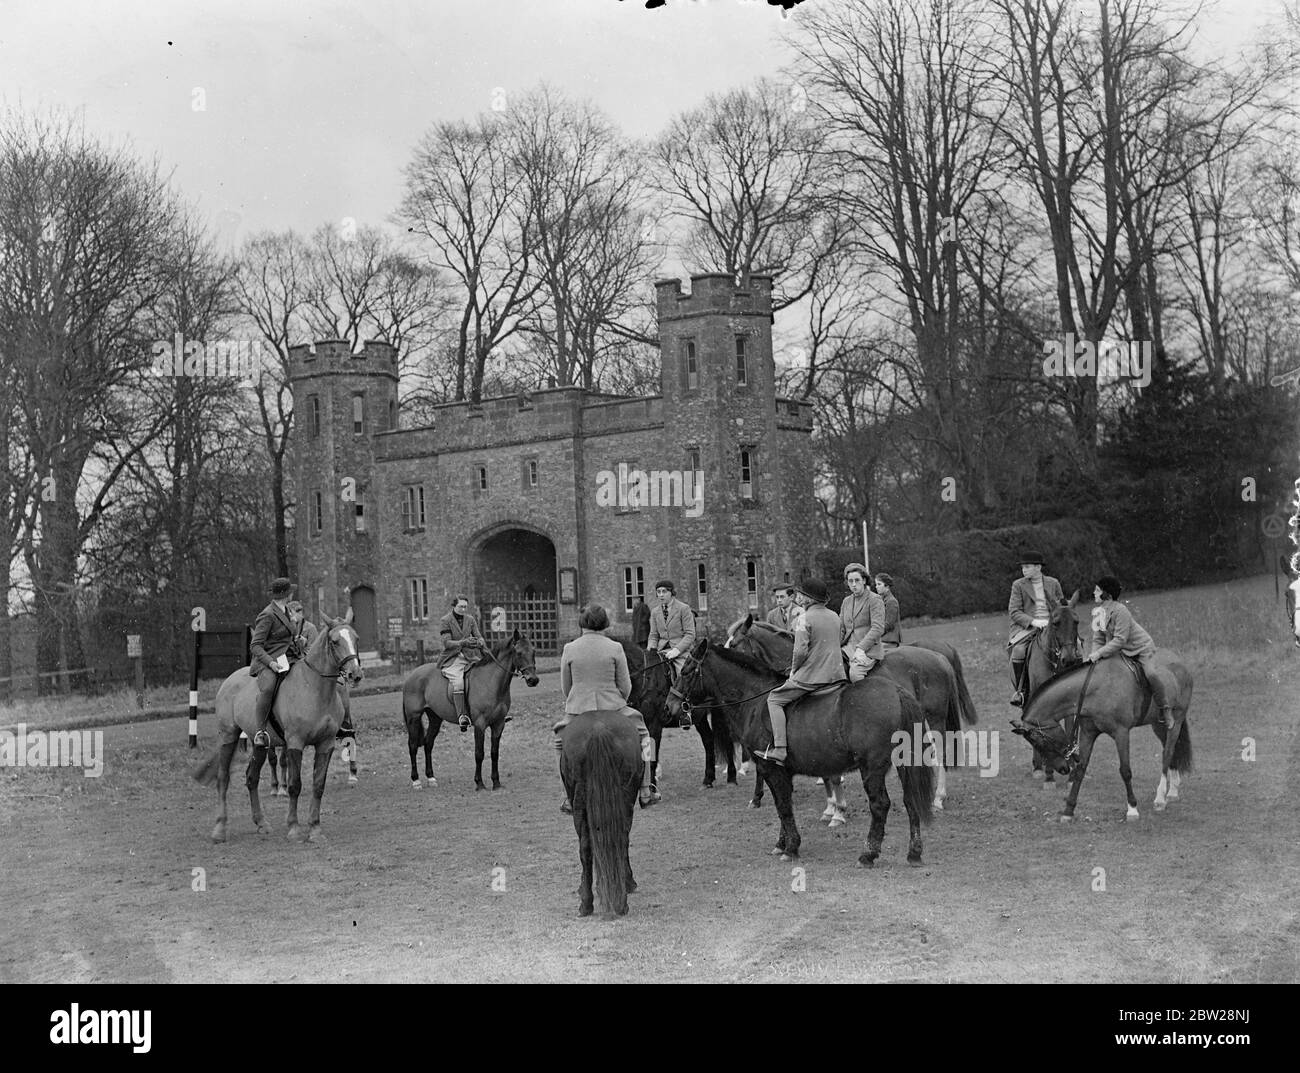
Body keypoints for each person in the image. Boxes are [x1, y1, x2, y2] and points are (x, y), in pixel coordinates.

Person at [554, 603, 660, 812]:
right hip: (613, 707)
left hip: (578, 709)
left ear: (581, 623)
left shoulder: (569, 648)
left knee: (559, 741)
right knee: (646, 737)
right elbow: (625, 686)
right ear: (605, 623)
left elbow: (566, 688)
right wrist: (618, 699)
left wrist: (577, 701)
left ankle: (567, 796)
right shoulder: (615, 647)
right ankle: (646, 790)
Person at [757, 578, 846, 766]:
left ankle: (780, 749)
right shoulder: (835, 615)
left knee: (774, 699)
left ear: (808, 598)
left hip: (813, 676)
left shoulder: (804, 618)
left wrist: (794, 671)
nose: (798, 597)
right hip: (837, 673)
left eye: (801, 594)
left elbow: (799, 651)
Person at [1087, 576, 1176, 730]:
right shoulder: (1098, 612)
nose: (1094, 593)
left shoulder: (1121, 611)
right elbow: (1098, 638)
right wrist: (1093, 655)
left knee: (1151, 674)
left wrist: (1100, 653)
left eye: (1097, 590)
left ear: (1106, 594)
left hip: (1141, 649)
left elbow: (1120, 640)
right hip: (1119, 651)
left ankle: (1165, 708)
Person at [287, 600, 356, 770]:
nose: (296, 614)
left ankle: (349, 748)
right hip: (292, 667)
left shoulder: (310, 628)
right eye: (293, 611)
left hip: (312, 667)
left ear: (302, 613)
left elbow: (315, 651)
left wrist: (303, 645)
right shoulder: (286, 627)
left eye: (298, 611)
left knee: (340, 688)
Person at [249, 577, 302, 747]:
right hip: (268, 661)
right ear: (286, 595)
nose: (292, 594)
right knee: (269, 688)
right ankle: (260, 731)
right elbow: (255, 646)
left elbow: (287, 637)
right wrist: (271, 663)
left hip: (289, 657)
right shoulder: (267, 615)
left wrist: (298, 637)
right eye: (290, 592)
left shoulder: (287, 611)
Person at [1007, 550, 1065, 706]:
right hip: (1028, 628)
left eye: (1027, 567)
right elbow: (1014, 611)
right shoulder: (1018, 585)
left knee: (1075, 646)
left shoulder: (1053, 583)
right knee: (1019, 651)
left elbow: (1062, 605)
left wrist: (1057, 618)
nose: (1023, 570)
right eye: (1023, 567)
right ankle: (1021, 691)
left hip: (1052, 626)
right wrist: (1034, 622)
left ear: (1038, 567)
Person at [438, 595, 486, 731]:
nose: (463, 609)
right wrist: (463, 642)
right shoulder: (445, 621)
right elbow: (447, 643)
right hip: (452, 658)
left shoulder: (470, 619)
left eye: (465, 607)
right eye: (461, 606)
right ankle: (462, 716)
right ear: (454, 606)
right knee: (458, 682)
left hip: (470, 657)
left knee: (484, 675)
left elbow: (478, 635)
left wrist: (480, 641)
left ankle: (491, 712)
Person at [839, 562, 886, 681]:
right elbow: (841, 628)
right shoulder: (846, 601)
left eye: (857, 580)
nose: (854, 585)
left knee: (854, 674)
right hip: (847, 648)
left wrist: (861, 648)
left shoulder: (874, 599)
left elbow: (878, 628)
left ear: (864, 580)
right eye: (850, 581)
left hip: (867, 650)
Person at [646, 579, 696, 678]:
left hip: (681, 653)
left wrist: (677, 650)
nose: (661, 595)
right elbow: (653, 635)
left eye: (664, 591)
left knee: (683, 677)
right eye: (658, 592)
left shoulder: (684, 609)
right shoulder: (655, 612)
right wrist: (651, 650)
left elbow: (690, 634)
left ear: (672, 593)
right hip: (661, 652)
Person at [875, 573, 901, 647]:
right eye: (876, 584)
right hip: (882, 639)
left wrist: (874, 633)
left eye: (879, 584)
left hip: (889, 640)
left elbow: (889, 624)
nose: (876, 587)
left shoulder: (891, 601)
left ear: (887, 586)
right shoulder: (881, 600)